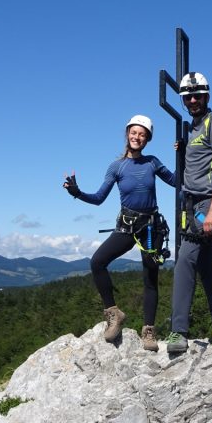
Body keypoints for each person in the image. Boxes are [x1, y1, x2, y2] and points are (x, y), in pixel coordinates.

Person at [63, 115, 175, 351]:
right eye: (134, 133)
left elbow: (176, 181)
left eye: (142, 134)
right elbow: (98, 198)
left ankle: (149, 331)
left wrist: (182, 153)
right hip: (127, 225)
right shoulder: (116, 166)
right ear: (127, 135)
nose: (137, 137)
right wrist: (76, 192)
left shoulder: (152, 162)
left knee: (150, 279)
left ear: (147, 140)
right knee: (97, 262)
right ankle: (114, 314)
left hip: (150, 227)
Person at [165, 72, 212, 354]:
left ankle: (178, 332)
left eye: (197, 95)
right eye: (188, 97)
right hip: (191, 203)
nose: (193, 100)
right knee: (208, 266)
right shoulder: (192, 129)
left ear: (206, 96)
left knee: (184, 260)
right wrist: (182, 149)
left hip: (207, 203)